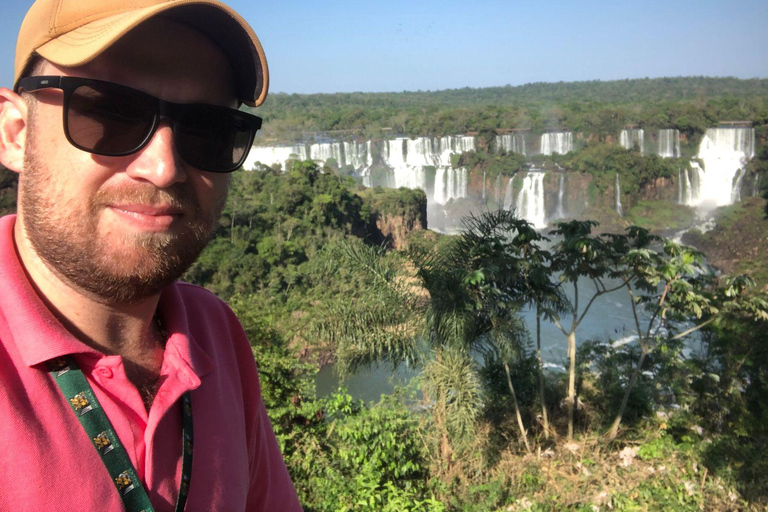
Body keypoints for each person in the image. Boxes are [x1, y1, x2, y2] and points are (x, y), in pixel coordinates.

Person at [0, 0, 303, 510]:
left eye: (208, 129)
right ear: (15, 133)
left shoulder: (214, 332)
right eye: (110, 112)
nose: (164, 168)